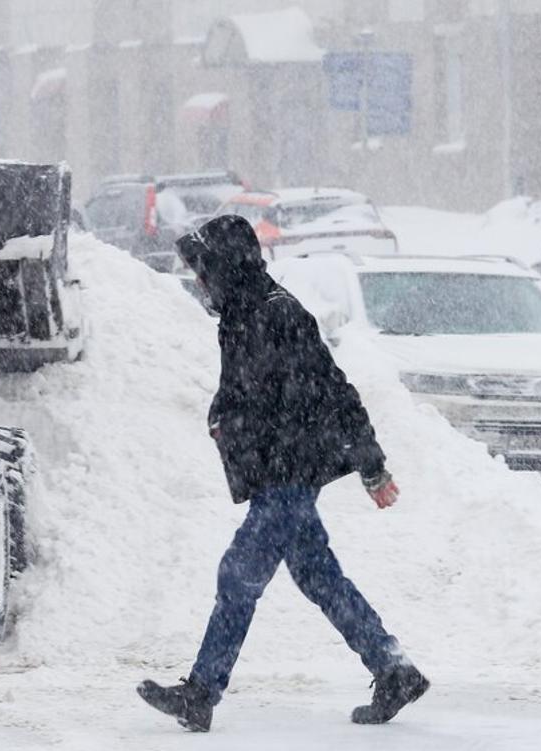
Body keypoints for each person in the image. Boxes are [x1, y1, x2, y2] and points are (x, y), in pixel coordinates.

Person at [137, 215, 428, 733]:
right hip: (277, 470)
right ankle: (392, 667)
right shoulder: (240, 314)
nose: (201, 283)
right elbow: (251, 393)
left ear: (228, 267)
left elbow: (336, 390)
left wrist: (372, 465)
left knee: (238, 574)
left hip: (290, 471)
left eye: (205, 270)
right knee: (318, 575)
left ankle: (202, 693)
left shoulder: (280, 314)